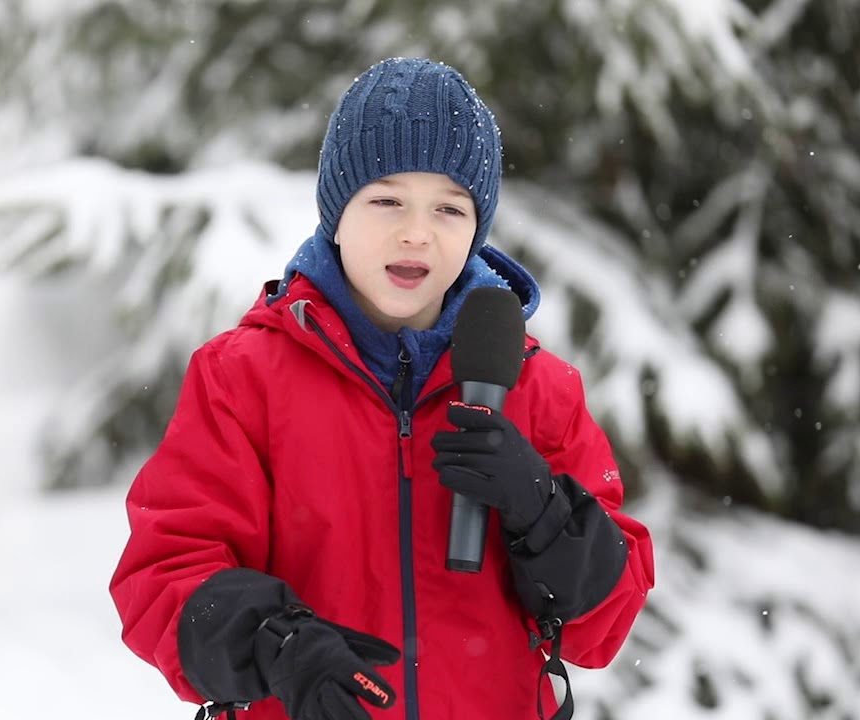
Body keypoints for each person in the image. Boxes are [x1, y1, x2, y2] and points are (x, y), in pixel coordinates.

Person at [110, 57, 655, 720]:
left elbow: (606, 622)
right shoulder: (243, 377)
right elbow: (164, 573)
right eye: (387, 200)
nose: (416, 232)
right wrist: (273, 643)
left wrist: (544, 512)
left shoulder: (538, 388)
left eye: (449, 208)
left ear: (476, 230)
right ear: (336, 214)